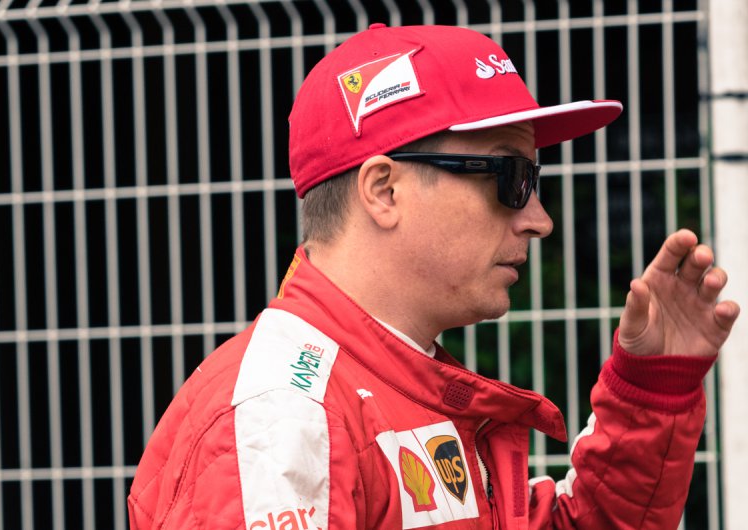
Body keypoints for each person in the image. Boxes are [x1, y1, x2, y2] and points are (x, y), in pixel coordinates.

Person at [128, 24, 740, 529]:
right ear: (384, 190)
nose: (540, 220)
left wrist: (652, 390)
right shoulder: (285, 418)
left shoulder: (389, 387)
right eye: (510, 178)